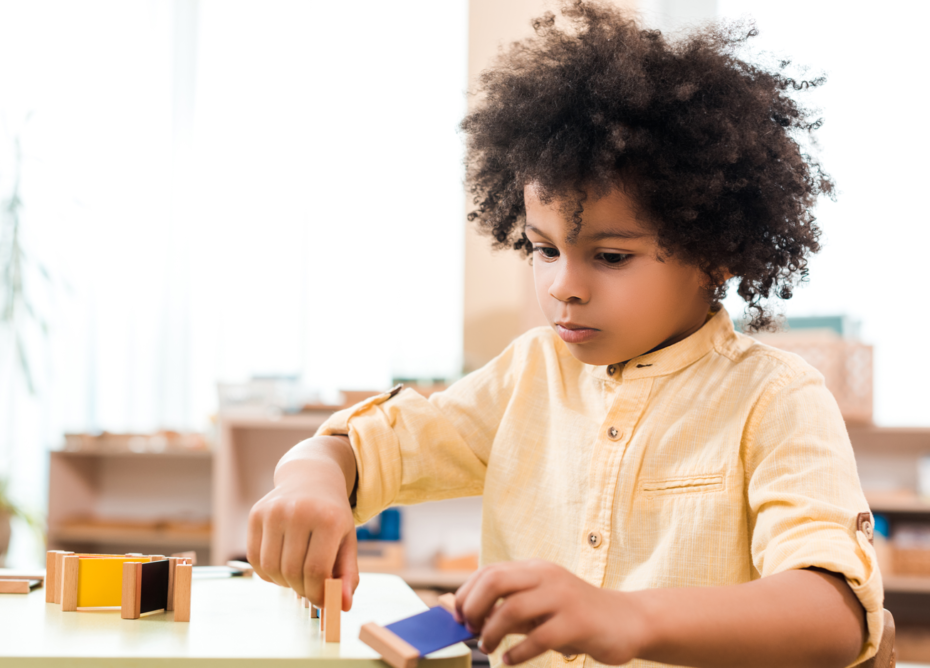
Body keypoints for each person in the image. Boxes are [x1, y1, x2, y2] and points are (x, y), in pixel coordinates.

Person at [246, 2, 882, 666]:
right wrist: (310, 478)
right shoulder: (530, 373)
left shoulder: (776, 399)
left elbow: (833, 615)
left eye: (610, 257)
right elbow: (362, 450)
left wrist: (628, 616)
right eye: (544, 249)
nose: (562, 286)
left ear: (715, 253)